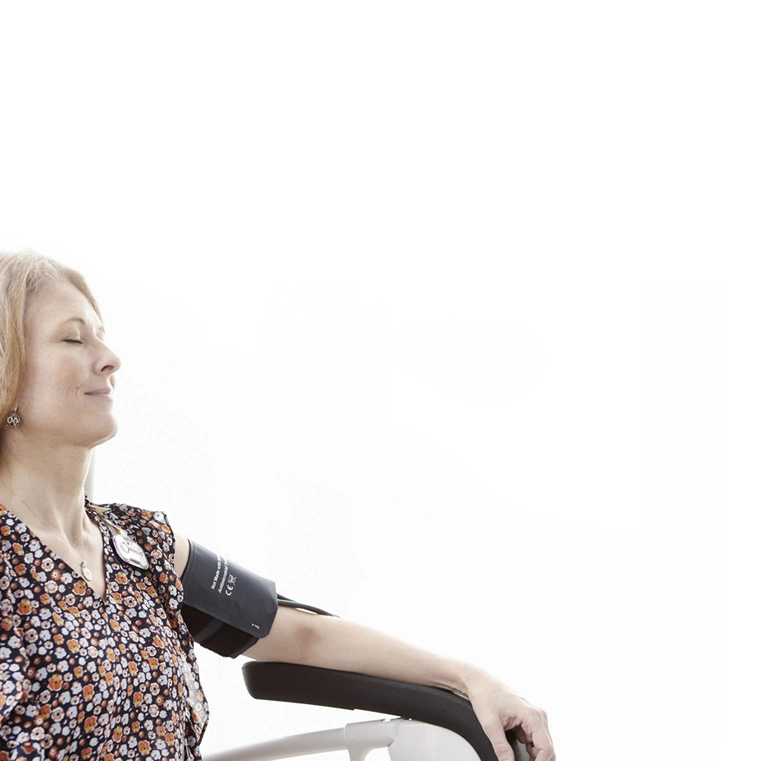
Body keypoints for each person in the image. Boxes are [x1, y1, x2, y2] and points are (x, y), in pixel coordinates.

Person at [0, 251, 556, 761]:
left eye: (103, 337)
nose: (111, 359)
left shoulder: (144, 549)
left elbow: (302, 634)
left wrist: (469, 680)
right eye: (74, 340)